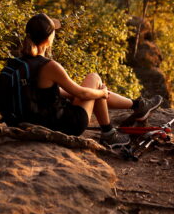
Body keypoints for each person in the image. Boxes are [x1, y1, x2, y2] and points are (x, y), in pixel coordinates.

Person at [20, 13, 163, 148]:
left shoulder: (20, 64)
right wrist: (101, 93)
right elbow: (82, 94)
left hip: (35, 120)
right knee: (94, 78)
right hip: (65, 125)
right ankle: (110, 132)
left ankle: (137, 106)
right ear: (48, 39)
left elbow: (46, 92)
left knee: (91, 89)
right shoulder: (50, 66)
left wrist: (87, 93)